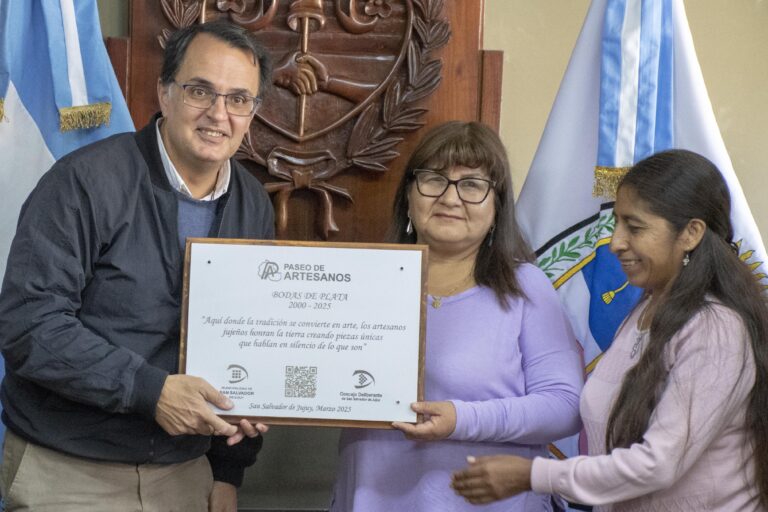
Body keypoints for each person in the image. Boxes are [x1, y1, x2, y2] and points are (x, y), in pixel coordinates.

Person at [0, 20, 275, 512]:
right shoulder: (82, 182)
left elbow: (252, 338)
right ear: (164, 93)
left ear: (252, 112)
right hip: (68, 472)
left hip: (186, 475)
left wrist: (227, 472)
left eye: (238, 99)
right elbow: (29, 324)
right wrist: (151, 392)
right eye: (199, 91)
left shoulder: (253, 203)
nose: (218, 114)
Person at [452, 149, 768, 511]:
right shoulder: (645, 310)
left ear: (691, 233)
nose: (615, 242)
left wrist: (532, 475)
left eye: (635, 227)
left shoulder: (716, 328)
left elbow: (657, 464)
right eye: (617, 223)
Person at [331, 121, 584, 511]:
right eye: (434, 180)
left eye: (472, 185)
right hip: (373, 495)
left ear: (497, 207)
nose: (450, 198)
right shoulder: (359, 281)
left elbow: (565, 406)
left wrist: (460, 419)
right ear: (409, 196)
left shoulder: (525, 287)